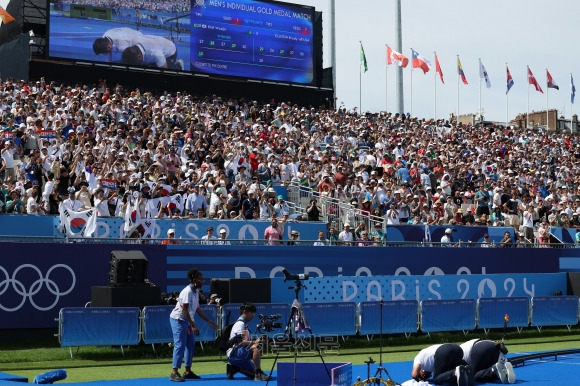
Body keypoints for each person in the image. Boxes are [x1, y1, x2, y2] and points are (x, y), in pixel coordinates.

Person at [169, 268, 218, 382]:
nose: (203, 281)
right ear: (195, 280)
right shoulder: (187, 291)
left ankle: (187, 371)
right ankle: (174, 372)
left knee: (190, 344)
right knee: (180, 345)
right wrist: (193, 325)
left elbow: (197, 308)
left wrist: (208, 320)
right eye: (201, 280)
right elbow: (185, 310)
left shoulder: (196, 291)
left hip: (186, 320)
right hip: (178, 319)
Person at [226, 302, 271, 381]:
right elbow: (240, 343)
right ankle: (258, 373)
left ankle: (234, 369)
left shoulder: (243, 324)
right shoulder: (240, 324)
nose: (253, 315)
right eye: (252, 313)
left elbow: (245, 341)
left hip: (238, 355)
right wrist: (256, 342)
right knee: (255, 348)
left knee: (252, 374)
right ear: (245, 312)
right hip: (234, 355)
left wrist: (258, 341)